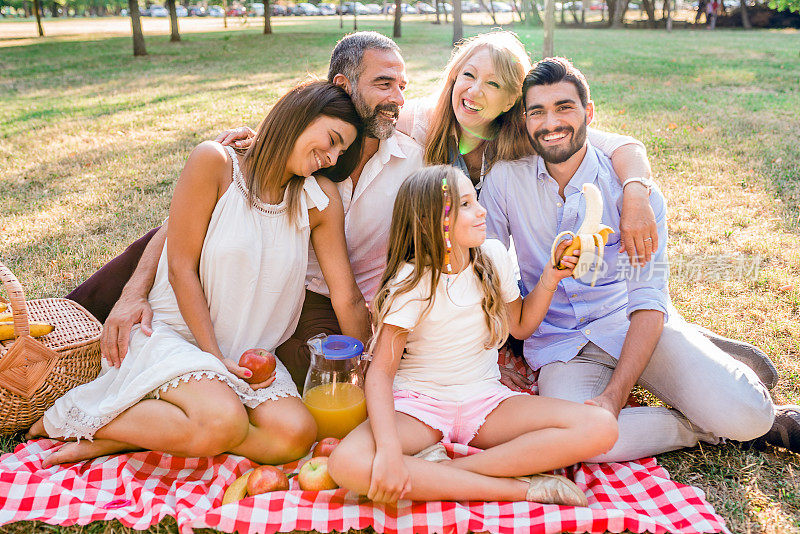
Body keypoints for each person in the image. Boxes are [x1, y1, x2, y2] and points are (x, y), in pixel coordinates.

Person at [27, 81, 371, 466]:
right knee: (221, 420)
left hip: (248, 354)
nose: (332, 156)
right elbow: (180, 269)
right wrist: (213, 357)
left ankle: (141, 433)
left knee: (295, 436)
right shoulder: (216, 163)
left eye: (341, 151)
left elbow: (348, 296)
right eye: (333, 139)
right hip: (177, 336)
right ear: (301, 113)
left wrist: (367, 376)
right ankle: (69, 418)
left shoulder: (317, 200)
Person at [480, 57, 796, 460]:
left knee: (749, 417)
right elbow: (489, 268)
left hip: (627, 322)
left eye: (564, 107)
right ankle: (698, 429)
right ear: (525, 121)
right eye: (537, 111)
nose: (551, 123)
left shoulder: (636, 196)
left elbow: (647, 300)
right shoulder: (506, 182)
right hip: (560, 344)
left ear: (589, 113)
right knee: (582, 441)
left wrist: (614, 399)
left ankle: (705, 374)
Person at [327, 165, 618, 505]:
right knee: (345, 463)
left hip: (486, 401)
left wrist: (551, 277)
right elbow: (380, 374)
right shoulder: (410, 283)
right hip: (419, 406)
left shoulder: (492, 257)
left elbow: (521, 326)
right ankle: (518, 490)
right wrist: (390, 453)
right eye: (465, 204)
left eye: (475, 200)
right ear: (431, 221)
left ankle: (450, 474)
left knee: (602, 426)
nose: (481, 211)